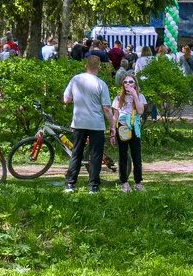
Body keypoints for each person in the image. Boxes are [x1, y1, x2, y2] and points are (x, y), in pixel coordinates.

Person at [62, 54, 115, 194]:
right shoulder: (101, 84)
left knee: (76, 153)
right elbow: (106, 109)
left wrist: (77, 100)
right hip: (96, 124)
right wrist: (113, 126)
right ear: (98, 67)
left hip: (79, 122)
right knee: (95, 155)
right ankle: (93, 186)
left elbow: (66, 99)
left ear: (86, 65)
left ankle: (70, 184)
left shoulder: (76, 79)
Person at [112, 74, 146, 192]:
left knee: (137, 156)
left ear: (135, 84)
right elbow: (115, 116)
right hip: (122, 128)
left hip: (134, 127)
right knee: (123, 155)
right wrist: (112, 131)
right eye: (125, 82)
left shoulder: (140, 96)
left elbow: (140, 111)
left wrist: (135, 95)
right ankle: (124, 182)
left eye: (131, 82)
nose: (128, 84)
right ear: (122, 84)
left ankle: (138, 182)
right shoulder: (118, 98)